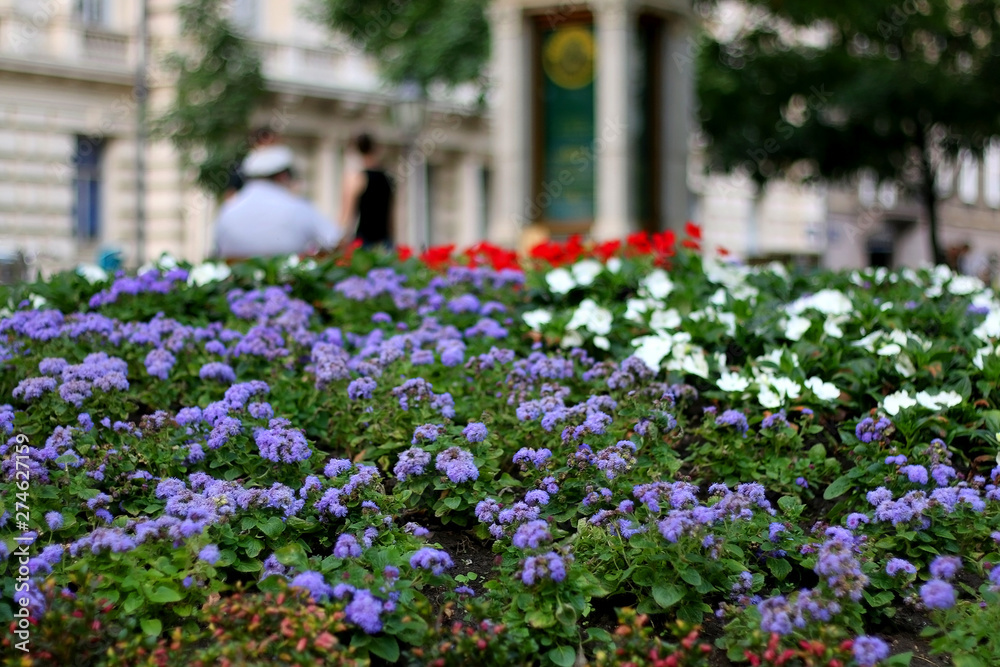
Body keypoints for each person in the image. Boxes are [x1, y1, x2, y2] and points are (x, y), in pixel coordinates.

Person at [212, 145, 343, 260]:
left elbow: (217, 248)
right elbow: (335, 240)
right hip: (288, 285)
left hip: (237, 286)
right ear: (283, 176)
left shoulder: (228, 209)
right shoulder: (298, 207)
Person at [340, 133, 394, 248]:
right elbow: (391, 218)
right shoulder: (387, 178)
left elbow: (347, 215)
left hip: (364, 241)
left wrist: (341, 239)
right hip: (384, 240)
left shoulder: (357, 178)